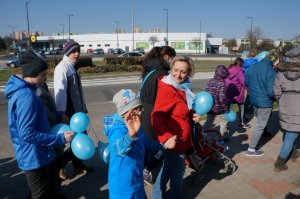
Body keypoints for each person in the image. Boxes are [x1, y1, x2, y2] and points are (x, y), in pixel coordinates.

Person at [4, 50, 74, 199]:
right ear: (33, 73)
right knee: (39, 194)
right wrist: (61, 139)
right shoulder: (26, 97)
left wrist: (57, 115)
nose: (45, 78)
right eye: (43, 75)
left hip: (41, 153)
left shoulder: (29, 92)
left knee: (52, 186)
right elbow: (27, 134)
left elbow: (39, 118)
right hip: (34, 157)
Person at [151, 56, 201, 199]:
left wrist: (192, 115)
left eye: (183, 72)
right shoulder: (168, 89)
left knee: (167, 168)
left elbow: (182, 109)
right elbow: (157, 117)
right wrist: (166, 138)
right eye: (175, 70)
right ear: (171, 69)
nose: (178, 75)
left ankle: (157, 195)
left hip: (181, 139)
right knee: (177, 175)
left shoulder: (183, 87)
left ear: (188, 73)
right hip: (174, 141)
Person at [103, 89, 151, 199]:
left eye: (140, 108)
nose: (139, 112)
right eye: (135, 110)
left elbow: (146, 142)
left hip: (136, 178)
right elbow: (119, 149)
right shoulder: (117, 130)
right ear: (123, 112)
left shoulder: (137, 123)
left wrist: (163, 144)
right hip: (122, 187)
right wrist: (131, 135)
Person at [54, 41, 92, 174]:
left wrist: (83, 107)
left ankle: (77, 165)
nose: (77, 54)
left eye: (78, 51)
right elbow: (60, 92)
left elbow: (78, 92)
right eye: (73, 51)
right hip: (69, 114)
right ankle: (59, 167)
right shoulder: (62, 68)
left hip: (78, 112)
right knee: (74, 139)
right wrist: (61, 113)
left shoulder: (72, 66)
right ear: (67, 52)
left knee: (79, 139)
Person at [140, 46, 176, 185]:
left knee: (146, 143)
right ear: (166, 56)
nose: (172, 61)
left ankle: (143, 168)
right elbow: (164, 97)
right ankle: (146, 171)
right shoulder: (161, 73)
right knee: (157, 144)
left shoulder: (150, 68)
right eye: (172, 57)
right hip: (153, 112)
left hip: (144, 110)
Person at [244, 50, 278, 157]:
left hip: (254, 100)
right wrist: (276, 97)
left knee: (260, 122)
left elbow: (246, 82)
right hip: (265, 102)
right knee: (260, 125)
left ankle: (263, 134)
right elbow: (270, 91)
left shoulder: (253, 67)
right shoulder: (271, 71)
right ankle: (251, 149)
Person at [273, 48, 300, 172]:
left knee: (292, 131)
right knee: (291, 135)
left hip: (286, 108)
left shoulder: (281, 72)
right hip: (298, 110)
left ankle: (294, 152)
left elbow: (276, 91)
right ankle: (279, 164)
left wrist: (282, 101)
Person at [36, 81, 70, 180]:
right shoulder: (35, 90)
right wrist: (57, 118)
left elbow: (50, 105)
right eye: (43, 75)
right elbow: (45, 111)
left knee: (59, 148)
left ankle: (60, 170)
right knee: (57, 149)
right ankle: (59, 171)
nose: (44, 77)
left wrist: (59, 115)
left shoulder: (42, 84)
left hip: (54, 120)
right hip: (48, 123)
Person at [203, 65, 230, 138]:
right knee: (224, 122)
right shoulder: (222, 83)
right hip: (220, 107)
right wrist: (226, 106)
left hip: (210, 106)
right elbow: (222, 98)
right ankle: (221, 137)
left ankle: (203, 132)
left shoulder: (210, 81)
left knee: (209, 121)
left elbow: (206, 92)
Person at [226, 57, 250, 129]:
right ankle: (241, 123)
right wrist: (249, 90)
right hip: (237, 92)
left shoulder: (228, 69)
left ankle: (226, 125)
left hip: (228, 92)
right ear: (241, 64)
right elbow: (244, 82)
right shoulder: (239, 71)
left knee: (228, 108)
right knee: (241, 107)